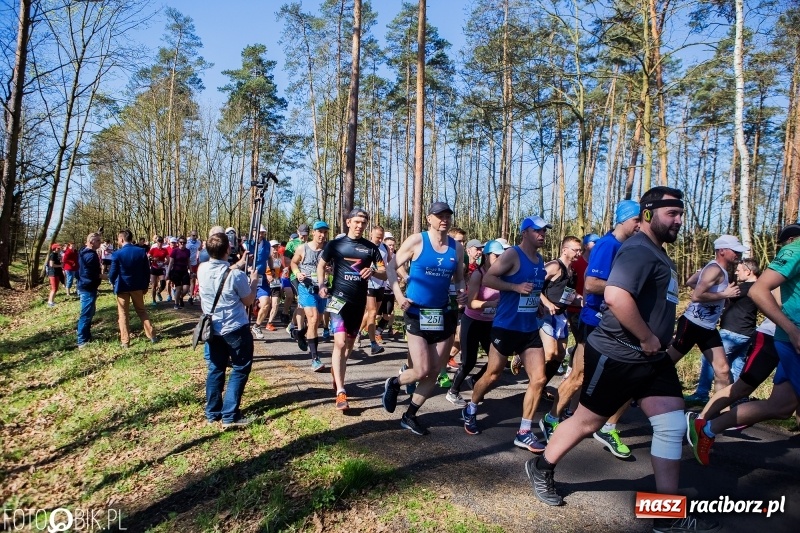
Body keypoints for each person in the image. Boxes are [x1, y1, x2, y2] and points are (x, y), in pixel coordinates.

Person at [526, 187, 720, 533]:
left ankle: (666, 516)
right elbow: (614, 295)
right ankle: (542, 468)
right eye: (671, 214)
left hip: (650, 358)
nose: (679, 221)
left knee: (672, 425)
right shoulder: (639, 250)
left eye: (681, 214)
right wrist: (646, 337)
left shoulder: (659, 253)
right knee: (588, 422)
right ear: (647, 215)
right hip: (619, 352)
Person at [689, 223, 800, 467]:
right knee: (740, 386)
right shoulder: (791, 256)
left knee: (781, 407)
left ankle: (706, 425)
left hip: (763, 336)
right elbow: (696, 289)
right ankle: (702, 421)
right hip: (771, 337)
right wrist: (723, 295)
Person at [540, 201, 640, 459]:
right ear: (625, 220)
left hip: (613, 322)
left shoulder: (626, 246)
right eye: (637, 220)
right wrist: (628, 287)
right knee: (579, 375)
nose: (640, 225)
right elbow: (593, 285)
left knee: (619, 380)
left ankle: (594, 423)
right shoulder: (608, 245)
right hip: (594, 321)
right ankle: (551, 419)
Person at [461, 215, 550, 453]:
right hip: (506, 325)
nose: (542, 234)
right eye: (538, 231)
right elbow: (490, 277)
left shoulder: (539, 259)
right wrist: (514, 287)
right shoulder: (512, 255)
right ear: (525, 233)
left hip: (528, 328)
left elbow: (532, 288)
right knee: (493, 375)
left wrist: (537, 303)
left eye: (544, 231)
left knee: (539, 379)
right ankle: (470, 408)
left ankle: (524, 431)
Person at [381, 202, 466, 435]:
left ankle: (409, 415)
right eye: (439, 216)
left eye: (448, 215)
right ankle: (395, 383)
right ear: (429, 218)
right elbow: (391, 268)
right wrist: (399, 295)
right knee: (421, 370)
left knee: (436, 371)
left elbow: (459, 279)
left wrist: (461, 292)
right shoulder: (417, 241)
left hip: (443, 314)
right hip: (417, 312)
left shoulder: (457, 248)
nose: (444, 220)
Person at [318, 208, 386, 410]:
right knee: (339, 343)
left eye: (363, 223)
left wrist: (373, 271)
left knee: (348, 345)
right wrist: (322, 285)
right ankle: (341, 391)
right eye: (356, 222)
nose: (359, 226)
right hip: (338, 300)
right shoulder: (336, 244)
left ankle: (336, 372)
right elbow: (321, 265)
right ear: (348, 222)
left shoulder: (370, 248)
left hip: (358, 303)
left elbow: (384, 272)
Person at [668, 235, 748, 395]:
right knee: (667, 363)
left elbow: (691, 282)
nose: (738, 255)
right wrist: (724, 295)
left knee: (723, 370)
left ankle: (719, 414)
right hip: (692, 324)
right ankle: (635, 393)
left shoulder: (714, 269)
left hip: (707, 328)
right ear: (722, 251)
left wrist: (718, 297)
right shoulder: (714, 269)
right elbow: (696, 296)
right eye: (735, 251)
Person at [197, 232, 259, 428]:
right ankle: (230, 415)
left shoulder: (201, 269)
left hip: (213, 328)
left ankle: (212, 412)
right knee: (240, 368)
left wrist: (241, 262)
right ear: (228, 250)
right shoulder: (236, 276)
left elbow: (223, 271)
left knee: (216, 368)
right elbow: (248, 301)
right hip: (235, 329)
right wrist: (254, 281)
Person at [684, 257, 761, 406]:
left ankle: (702, 394)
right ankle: (737, 398)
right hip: (747, 333)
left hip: (733, 333)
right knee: (735, 367)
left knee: (709, 359)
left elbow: (715, 293)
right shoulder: (757, 288)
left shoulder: (745, 288)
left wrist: (706, 277)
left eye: (739, 271)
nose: (737, 273)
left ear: (749, 271)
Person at [446, 239, 506, 406]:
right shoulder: (478, 275)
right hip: (472, 321)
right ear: (487, 256)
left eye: (502, 255)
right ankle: (453, 391)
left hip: (490, 323)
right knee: (469, 361)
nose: (499, 258)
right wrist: (490, 304)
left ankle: (475, 380)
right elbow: (471, 303)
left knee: (498, 360)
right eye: (496, 255)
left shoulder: (501, 275)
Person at [537, 235, 582, 400]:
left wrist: (582, 300)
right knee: (550, 353)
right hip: (546, 314)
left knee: (560, 355)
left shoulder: (573, 272)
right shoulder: (554, 266)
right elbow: (535, 285)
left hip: (561, 315)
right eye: (575, 249)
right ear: (564, 249)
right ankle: (526, 362)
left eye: (580, 250)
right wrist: (546, 303)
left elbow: (570, 295)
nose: (578, 253)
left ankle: (540, 387)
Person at [108, 229, 158, 348]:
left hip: (122, 287)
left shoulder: (117, 254)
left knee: (123, 314)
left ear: (121, 239)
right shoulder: (141, 252)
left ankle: (125, 341)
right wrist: (146, 285)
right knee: (141, 311)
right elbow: (147, 271)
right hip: (137, 286)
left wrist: (112, 282)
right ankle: (152, 336)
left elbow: (112, 273)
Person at [291, 221, 330, 371]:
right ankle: (315, 358)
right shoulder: (303, 248)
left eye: (325, 232)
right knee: (313, 318)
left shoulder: (328, 249)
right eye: (319, 232)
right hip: (306, 287)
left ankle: (300, 333)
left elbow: (332, 266)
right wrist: (297, 273)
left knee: (317, 321)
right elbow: (293, 263)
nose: (322, 235)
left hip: (321, 288)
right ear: (313, 232)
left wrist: (330, 269)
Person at [359, 225, 387, 355]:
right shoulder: (364, 246)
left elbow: (389, 263)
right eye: (377, 237)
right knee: (372, 312)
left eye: (381, 238)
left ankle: (358, 332)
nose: (379, 240)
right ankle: (373, 344)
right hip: (368, 283)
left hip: (381, 283)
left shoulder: (384, 247)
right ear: (371, 234)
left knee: (373, 314)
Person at [76, 233, 105, 349]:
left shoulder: (84, 252)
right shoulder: (91, 256)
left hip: (86, 286)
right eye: (98, 241)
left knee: (90, 312)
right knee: (86, 314)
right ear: (92, 242)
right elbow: (88, 273)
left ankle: (87, 336)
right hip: (87, 288)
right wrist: (102, 276)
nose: (100, 243)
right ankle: (82, 340)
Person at [251, 240, 284, 338]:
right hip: (262, 281)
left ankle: (268, 323)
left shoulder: (279, 258)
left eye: (276, 247)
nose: (275, 249)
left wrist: (280, 277)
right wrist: (268, 275)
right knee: (256, 303)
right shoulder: (263, 258)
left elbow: (281, 269)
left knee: (274, 304)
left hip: (275, 284)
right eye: (273, 247)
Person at [168, 236, 192, 309]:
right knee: (178, 288)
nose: (182, 244)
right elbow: (171, 262)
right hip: (176, 271)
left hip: (184, 271)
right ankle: (176, 304)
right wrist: (167, 273)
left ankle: (180, 297)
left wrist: (191, 271)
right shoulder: (175, 251)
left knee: (186, 288)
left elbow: (188, 262)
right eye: (181, 242)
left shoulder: (187, 251)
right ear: (178, 243)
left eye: (184, 243)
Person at [148, 236, 169, 305]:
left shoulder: (164, 250)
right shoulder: (153, 249)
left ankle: (158, 292)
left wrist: (164, 263)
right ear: (156, 242)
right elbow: (148, 256)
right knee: (154, 285)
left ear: (163, 242)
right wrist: (153, 259)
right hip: (154, 268)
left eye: (161, 242)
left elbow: (168, 259)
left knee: (163, 283)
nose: (160, 243)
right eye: (158, 242)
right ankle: (154, 301)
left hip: (161, 268)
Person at [185, 229, 202, 305]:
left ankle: (191, 297)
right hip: (186, 263)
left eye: (195, 235)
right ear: (190, 235)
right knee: (186, 280)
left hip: (194, 263)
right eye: (193, 235)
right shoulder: (187, 243)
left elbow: (200, 250)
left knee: (193, 280)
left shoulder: (199, 242)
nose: (194, 237)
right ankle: (183, 293)